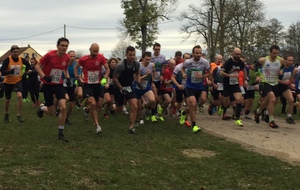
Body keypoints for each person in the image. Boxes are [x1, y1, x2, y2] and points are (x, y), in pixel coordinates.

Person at [35, 37, 71, 142]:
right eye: (62, 45)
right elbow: (37, 66)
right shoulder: (50, 55)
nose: (64, 48)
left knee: (63, 107)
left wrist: (67, 78)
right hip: (48, 85)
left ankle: (61, 133)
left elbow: (64, 69)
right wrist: (44, 76)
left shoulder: (67, 57)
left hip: (59, 85)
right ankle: (42, 108)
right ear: (57, 46)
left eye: (66, 46)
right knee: (51, 112)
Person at [74, 43, 110, 134]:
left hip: (98, 84)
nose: (95, 53)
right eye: (94, 51)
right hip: (88, 84)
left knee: (99, 106)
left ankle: (86, 110)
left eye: (97, 51)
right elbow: (76, 67)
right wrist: (78, 77)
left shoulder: (100, 57)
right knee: (93, 103)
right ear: (90, 49)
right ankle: (97, 126)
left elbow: (108, 69)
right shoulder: (84, 59)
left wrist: (105, 77)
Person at [182, 45, 210, 133]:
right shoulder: (188, 62)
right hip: (190, 86)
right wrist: (183, 74)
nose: (198, 55)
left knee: (193, 106)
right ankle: (194, 125)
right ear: (193, 53)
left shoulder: (205, 62)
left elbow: (209, 72)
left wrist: (203, 76)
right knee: (193, 104)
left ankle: (184, 113)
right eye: (196, 53)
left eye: (200, 53)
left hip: (199, 86)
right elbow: (182, 68)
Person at [254, 45, 285, 128]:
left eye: (277, 53)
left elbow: (282, 67)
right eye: (274, 53)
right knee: (273, 99)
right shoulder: (263, 60)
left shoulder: (280, 60)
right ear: (270, 52)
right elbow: (256, 66)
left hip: (274, 82)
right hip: (265, 81)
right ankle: (271, 120)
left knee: (267, 101)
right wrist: (258, 76)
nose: (275, 55)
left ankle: (257, 112)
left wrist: (281, 71)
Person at [113, 46, 141, 134]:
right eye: (130, 55)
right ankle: (113, 106)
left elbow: (138, 73)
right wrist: (121, 88)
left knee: (134, 106)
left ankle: (131, 127)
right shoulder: (121, 65)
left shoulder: (136, 64)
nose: (132, 57)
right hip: (118, 87)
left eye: (133, 55)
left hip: (128, 87)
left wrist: (138, 81)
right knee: (119, 110)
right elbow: (115, 79)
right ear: (126, 55)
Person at [0, 45, 31, 123]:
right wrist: (10, 72)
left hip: (18, 81)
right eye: (14, 52)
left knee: (19, 95)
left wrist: (27, 72)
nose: (16, 53)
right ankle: (6, 114)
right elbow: (2, 71)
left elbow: (29, 66)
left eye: (17, 52)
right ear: (11, 52)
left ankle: (19, 114)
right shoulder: (7, 60)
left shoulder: (21, 59)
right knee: (7, 100)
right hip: (8, 82)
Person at [220, 48, 245, 127]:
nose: (238, 56)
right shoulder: (228, 62)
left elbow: (243, 69)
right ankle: (224, 112)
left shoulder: (240, 62)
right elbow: (221, 72)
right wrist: (230, 75)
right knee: (226, 103)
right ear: (232, 54)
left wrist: (245, 79)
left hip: (235, 84)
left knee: (239, 99)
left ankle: (237, 118)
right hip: (227, 84)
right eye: (236, 54)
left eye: (239, 54)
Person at [277, 55, 295, 124]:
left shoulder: (292, 68)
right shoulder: (280, 68)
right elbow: (275, 78)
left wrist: (291, 82)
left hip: (285, 87)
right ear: (285, 60)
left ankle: (289, 117)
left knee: (291, 100)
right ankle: (266, 113)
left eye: (292, 60)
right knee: (274, 102)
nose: (291, 62)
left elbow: (291, 78)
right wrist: (282, 82)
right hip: (277, 86)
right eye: (289, 60)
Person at [64, 50, 81, 125]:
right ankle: (58, 108)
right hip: (63, 84)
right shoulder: (64, 64)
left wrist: (79, 79)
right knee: (66, 99)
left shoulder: (76, 65)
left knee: (72, 104)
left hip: (71, 85)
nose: (72, 58)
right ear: (67, 56)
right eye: (71, 56)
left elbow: (78, 75)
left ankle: (66, 118)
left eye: (74, 56)